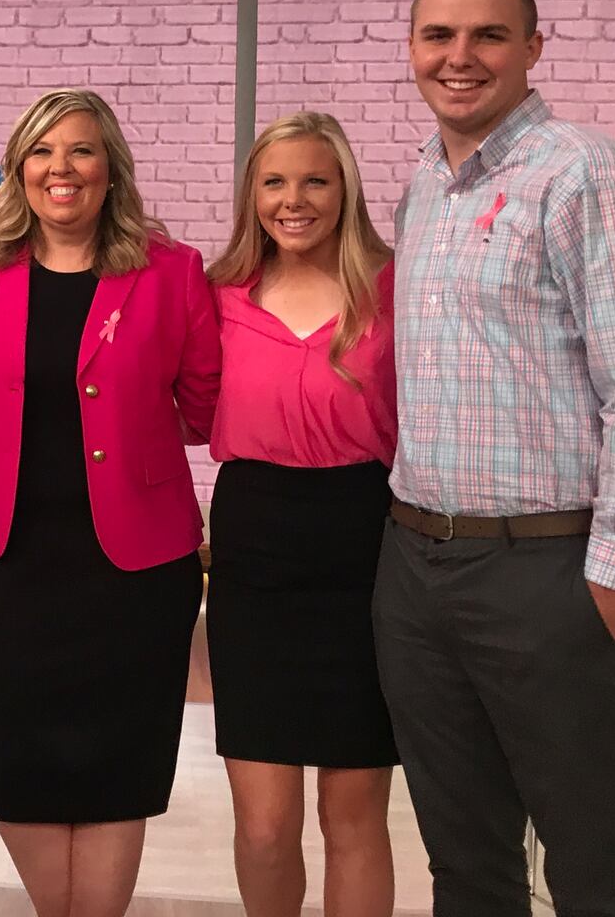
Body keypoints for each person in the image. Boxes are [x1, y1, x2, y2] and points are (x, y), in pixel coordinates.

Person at [375, 0, 615, 916]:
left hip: (550, 573)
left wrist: (613, 580)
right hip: (418, 564)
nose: (459, 57)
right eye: (439, 36)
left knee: (598, 868)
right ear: (414, 50)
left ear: (533, 48)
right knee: (465, 864)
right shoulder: (425, 183)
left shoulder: (589, 177)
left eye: (488, 35)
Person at [0, 87, 221, 917]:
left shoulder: (171, 271)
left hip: (134, 571)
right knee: (19, 767)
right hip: (8, 559)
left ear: (109, 167)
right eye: (44, 152)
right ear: (19, 168)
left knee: (117, 772)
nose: (63, 169)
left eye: (81, 150)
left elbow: (204, 404)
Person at [204, 110, 398, 917]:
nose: (295, 200)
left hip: (370, 544)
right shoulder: (215, 295)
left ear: (345, 188)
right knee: (263, 825)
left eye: (315, 180)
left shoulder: (396, 285)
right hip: (255, 542)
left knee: (353, 814)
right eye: (275, 182)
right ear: (252, 196)